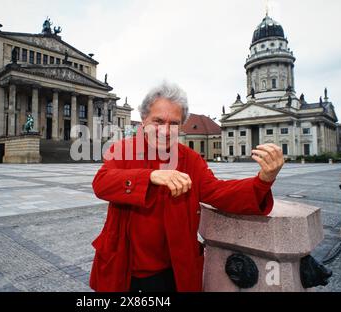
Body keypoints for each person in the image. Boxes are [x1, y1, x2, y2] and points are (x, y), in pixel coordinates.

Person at [90, 82, 284, 292]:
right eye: (158, 121)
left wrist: (263, 180)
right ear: (144, 120)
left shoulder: (190, 159)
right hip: (127, 269)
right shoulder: (123, 149)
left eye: (174, 123)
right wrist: (151, 176)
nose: (165, 130)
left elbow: (218, 192)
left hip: (174, 270)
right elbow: (101, 183)